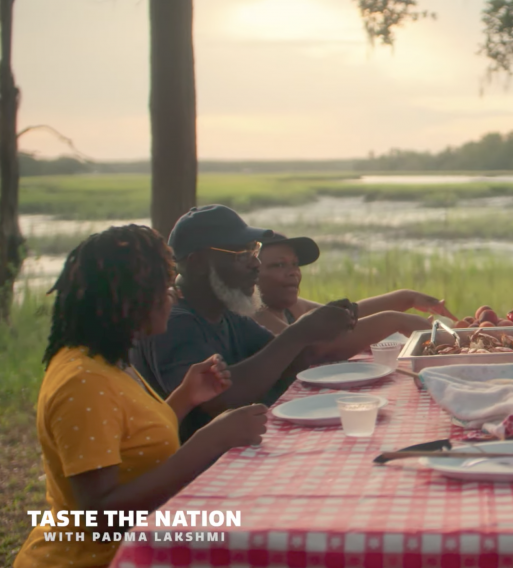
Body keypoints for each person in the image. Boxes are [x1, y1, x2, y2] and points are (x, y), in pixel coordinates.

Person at [15, 225, 268, 568]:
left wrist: (183, 398)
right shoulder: (84, 381)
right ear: (127, 297)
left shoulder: (106, 359)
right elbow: (100, 519)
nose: (173, 296)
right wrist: (209, 441)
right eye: (163, 288)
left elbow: (131, 442)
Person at [130, 205, 356, 442]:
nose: (255, 264)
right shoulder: (173, 324)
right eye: (241, 254)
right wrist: (299, 334)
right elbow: (216, 401)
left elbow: (283, 362)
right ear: (197, 263)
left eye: (254, 250)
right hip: (199, 469)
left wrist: (317, 330)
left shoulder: (225, 311)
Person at [254, 231, 457, 360]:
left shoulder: (290, 307)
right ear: (250, 271)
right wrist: (396, 321)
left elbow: (342, 317)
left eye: (295, 264)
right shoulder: (256, 316)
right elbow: (315, 350)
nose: (293, 272)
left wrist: (406, 298)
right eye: (279, 265)